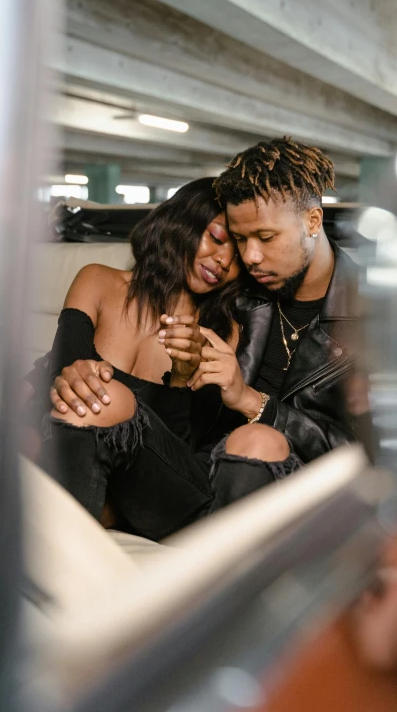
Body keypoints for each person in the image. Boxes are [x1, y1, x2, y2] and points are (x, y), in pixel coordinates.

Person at [51, 138, 367, 529]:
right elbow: (178, 427)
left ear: (312, 222)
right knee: (97, 398)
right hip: (194, 480)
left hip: (291, 494)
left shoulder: (376, 320)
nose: (248, 258)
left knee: (255, 442)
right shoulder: (237, 298)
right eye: (238, 239)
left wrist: (252, 402)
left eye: (265, 238)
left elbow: (370, 457)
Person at [28, 176, 290, 541]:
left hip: (167, 495)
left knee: (106, 398)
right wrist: (73, 373)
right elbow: (63, 385)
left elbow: (177, 458)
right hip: (80, 454)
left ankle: (93, 524)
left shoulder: (221, 334)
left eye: (237, 259)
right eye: (215, 238)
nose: (223, 260)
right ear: (182, 224)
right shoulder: (97, 282)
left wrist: (182, 379)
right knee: (84, 399)